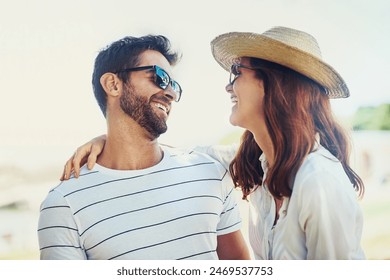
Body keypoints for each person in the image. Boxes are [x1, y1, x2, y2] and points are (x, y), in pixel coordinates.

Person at [62, 26, 366, 260]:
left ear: (274, 83)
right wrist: (108, 140)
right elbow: (176, 156)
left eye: (237, 72)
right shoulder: (256, 164)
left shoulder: (319, 182)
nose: (227, 84)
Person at [37, 35, 250, 260]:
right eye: (159, 77)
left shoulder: (209, 172)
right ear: (113, 84)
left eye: (174, 85)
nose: (170, 93)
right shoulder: (63, 204)